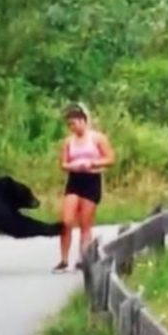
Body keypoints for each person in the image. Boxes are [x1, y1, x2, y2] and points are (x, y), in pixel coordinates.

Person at [52, 102, 115, 273]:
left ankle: (83, 258)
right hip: (75, 180)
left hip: (91, 179)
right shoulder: (68, 142)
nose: (72, 127)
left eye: (74, 123)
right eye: (69, 125)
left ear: (83, 121)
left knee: (85, 223)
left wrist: (93, 163)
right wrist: (73, 165)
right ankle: (64, 260)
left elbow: (110, 159)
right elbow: (63, 163)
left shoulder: (97, 138)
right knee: (66, 221)